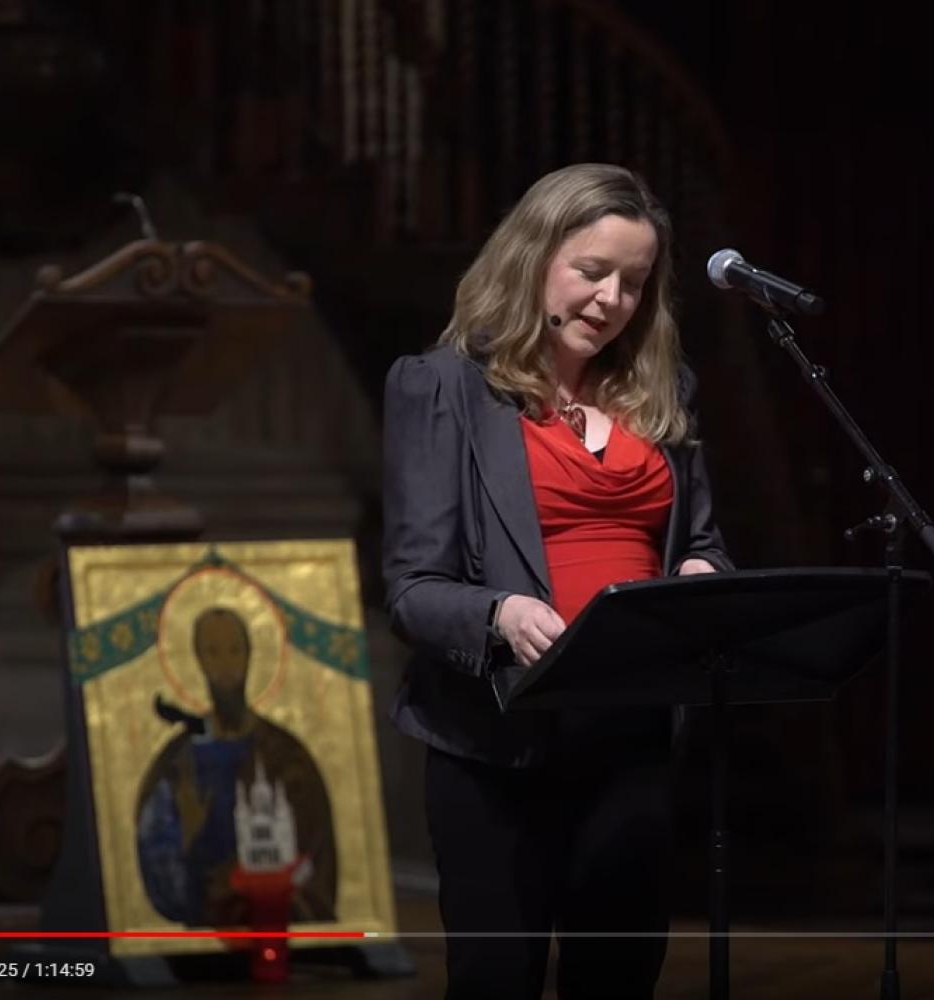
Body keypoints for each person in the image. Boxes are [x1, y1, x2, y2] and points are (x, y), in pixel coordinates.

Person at [381, 162, 733, 1000]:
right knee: (497, 978)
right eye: (593, 271)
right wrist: (499, 611)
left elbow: (708, 543)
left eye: (635, 283)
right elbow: (410, 588)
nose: (612, 300)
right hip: (498, 742)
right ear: (536, 256)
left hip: (632, 736)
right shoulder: (442, 388)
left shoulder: (664, 395)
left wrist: (701, 572)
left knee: (615, 979)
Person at [134, 606, 338, 927]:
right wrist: (189, 839)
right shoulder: (179, 761)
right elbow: (158, 857)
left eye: (234, 650)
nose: (226, 666)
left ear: (250, 655)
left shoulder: (286, 753)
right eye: (212, 652)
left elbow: (313, 852)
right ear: (198, 660)